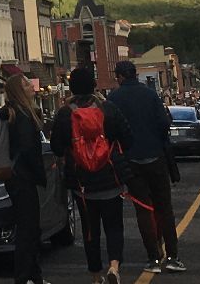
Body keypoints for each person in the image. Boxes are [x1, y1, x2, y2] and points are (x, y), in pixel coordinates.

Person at [107, 60, 185, 274]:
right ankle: (172, 256)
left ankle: (153, 258)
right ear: (135, 75)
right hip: (156, 157)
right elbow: (164, 124)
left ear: (120, 77)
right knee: (164, 208)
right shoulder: (150, 95)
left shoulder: (113, 99)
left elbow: (110, 132)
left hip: (131, 161)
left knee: (143, 210)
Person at [53, 66, 128, 284]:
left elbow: (57, 147)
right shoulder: (108, 109)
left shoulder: (65, 114)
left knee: (89, 230)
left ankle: (96, 276)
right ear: (94, 85)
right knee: (114, 225)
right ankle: (114, 266)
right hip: (110, 178)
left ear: (72, 87)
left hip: (81, 183)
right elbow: (127, 137)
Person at [0, 73, 49, 284]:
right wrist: (40, 174)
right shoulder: (23, 117)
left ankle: (33, 275)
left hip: (15, 178)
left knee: (29, 228)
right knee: (28, 230)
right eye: (26, 84)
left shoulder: (12, 114)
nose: (31, 86)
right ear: (20, 91)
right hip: (24, 178)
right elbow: (29, 149)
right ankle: (23, 277)